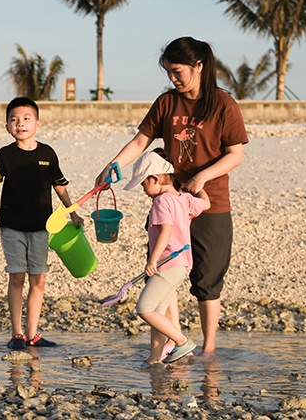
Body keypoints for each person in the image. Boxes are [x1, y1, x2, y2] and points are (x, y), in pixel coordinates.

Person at [97, 36, 247, 354]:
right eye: (168, 72)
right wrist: (113, 166)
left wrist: (202, 176)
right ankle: (173, 345)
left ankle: (207, 351)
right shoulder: (166, 103)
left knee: (207, 280)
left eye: (178, 71)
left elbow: (235, 154)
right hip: (169, 203)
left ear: (199, 66)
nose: (173, 79)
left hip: (210, 203)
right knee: (165, 273)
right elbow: (140, 142)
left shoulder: (223, 103)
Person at [0, 97, 83, 350]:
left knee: (38, 280)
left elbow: (60, 185)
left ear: (37, 124)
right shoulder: (4, 155)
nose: (20, 124)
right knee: (16, 277)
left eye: (26, 119)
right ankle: (16, 334)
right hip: (11, 225)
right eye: (14, 120)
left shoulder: (47, 153)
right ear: (7, 126)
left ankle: (32, 334)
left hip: (42, 227)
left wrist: (72, 213)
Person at [124, 148, 210, 364]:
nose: (143, 189)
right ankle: (154, 360)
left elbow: (166, 231)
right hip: (182, 266)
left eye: (143, 183)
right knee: (158, 313)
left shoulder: (161, 201)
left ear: (154, 178)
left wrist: (152, 260)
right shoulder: (185, 199)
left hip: (167, 265)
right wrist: (199, 187)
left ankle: (182, 342)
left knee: (144, 308)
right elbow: (206, 204)